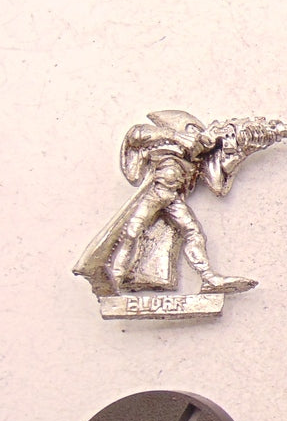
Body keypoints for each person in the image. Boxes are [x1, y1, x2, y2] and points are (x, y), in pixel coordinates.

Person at [74, 110, 267, 297]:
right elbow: (136, 134)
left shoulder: (198, 157)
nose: (198, 135)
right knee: (132, 231)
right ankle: (115, 280)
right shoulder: (163, 142)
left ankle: (209, 278)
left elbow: (218, 186)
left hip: (173, 199)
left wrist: (240, 154)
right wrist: (177, 137)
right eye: (192, 130)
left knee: (193, 233)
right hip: (154, 194)